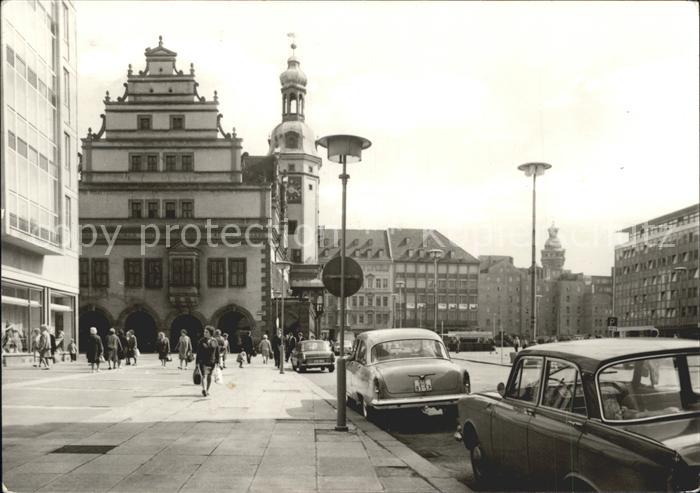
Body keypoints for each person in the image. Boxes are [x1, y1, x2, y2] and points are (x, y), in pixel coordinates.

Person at [196, 326, 220, 397]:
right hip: (202, 361)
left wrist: (217, 361)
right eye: (204, 332)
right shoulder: (201, 341)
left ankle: (207, 390)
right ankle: (204, 389)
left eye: (206, 332)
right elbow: (198, 352)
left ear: (210, 333)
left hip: (211, 361)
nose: (204, 333)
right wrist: (197, 362)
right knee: (203, 375)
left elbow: (217, 352)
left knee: (209, 376)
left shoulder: (214, 341)